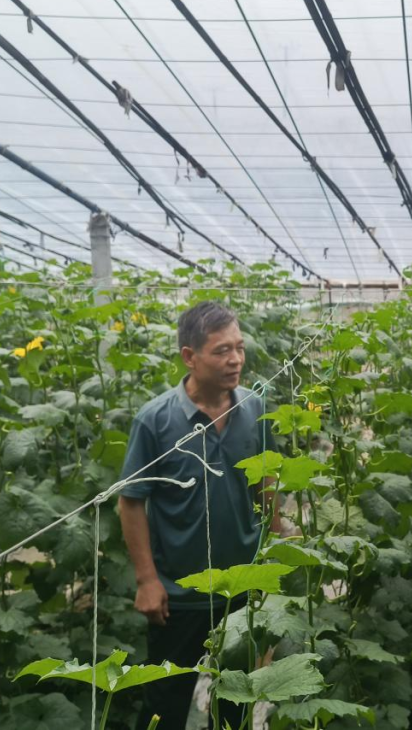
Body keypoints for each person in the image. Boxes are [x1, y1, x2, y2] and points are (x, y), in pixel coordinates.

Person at [119, 302, 274, 730]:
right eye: (222, 350)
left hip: (242, 587)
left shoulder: (255, 408)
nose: (236, 359)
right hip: (179, 593)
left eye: (239, 347)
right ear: (190, 356)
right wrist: (147, 581)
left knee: (235, 702)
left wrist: (276, 548)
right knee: (164, 705)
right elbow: (131, 501)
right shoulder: (155, 420)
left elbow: (267, 481)